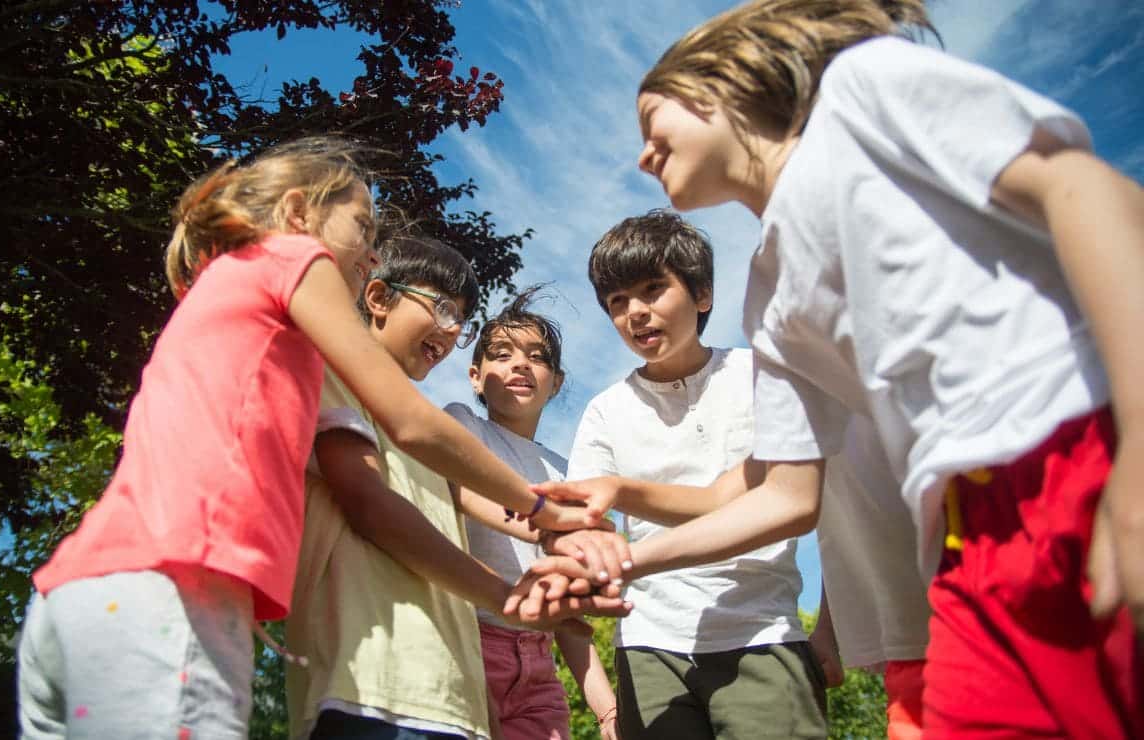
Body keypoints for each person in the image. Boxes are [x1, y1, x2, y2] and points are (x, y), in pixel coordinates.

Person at [542, 1, 1144, 736]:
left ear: (721, 89)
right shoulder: (769, 292)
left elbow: (1090, 192)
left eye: (651, 123)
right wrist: (624, 564)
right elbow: (783, 494)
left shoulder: (862, 93)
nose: (642, 155)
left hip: (1076, 451)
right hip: (960, 536)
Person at [16, 136, 598, 739]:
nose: (372, 257)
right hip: (170, 593)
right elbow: (411, 424)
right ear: (298, 214)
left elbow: (433, 474)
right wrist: (542, 507)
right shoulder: (292, 257)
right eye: (363, 229)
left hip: (86, 591)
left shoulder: (253, 316)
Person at [286, 239, 628, 740]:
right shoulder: (427, 421)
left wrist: (603, 705)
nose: (450, 330)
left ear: (557, 381)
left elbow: (472, 502)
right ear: (377, 297)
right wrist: (523, 564)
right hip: (372, 679)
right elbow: (382, 503)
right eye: (442, 308)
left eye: (459, 320)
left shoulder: (430, 439)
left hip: (454, 676)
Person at [566, 210, 827, 739]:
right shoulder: (605, 410)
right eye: (618, 302)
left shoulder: (761, 377)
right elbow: (584, 520)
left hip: (763, 629)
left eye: (652, 290)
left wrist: (831, 631)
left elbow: (807, 505)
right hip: (648, 644)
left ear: (702, 294)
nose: (635, 313)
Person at [444, 287, 620, 740]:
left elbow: (566, 613)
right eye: (502, 354)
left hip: (538, 665)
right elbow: (460, 489)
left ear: (556, 381)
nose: (520, 364)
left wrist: (606, 709)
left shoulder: (567, 473)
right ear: (476, 376)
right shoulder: (464, 424)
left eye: (537, 356)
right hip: (468, 644)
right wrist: (544, 521)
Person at [816, 415, 931, 739]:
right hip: (907, 639)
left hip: (985, 599)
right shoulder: (781, 380)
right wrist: (828, 626)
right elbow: (844, 530)